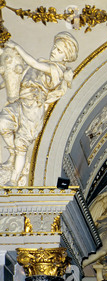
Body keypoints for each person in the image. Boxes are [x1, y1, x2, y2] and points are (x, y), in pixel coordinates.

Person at [0, 31, 78, 185]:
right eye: (55, 48)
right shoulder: (46, 63)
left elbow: (33, 64)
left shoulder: (57, 70)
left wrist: (16, 47)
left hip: (33, 109)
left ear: (66, 57)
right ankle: (12, 152)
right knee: (2, 123)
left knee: (21, 144)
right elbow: (22, 75)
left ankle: (14, 180)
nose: (54, 51)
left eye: (59, 51)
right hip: (21, 102)